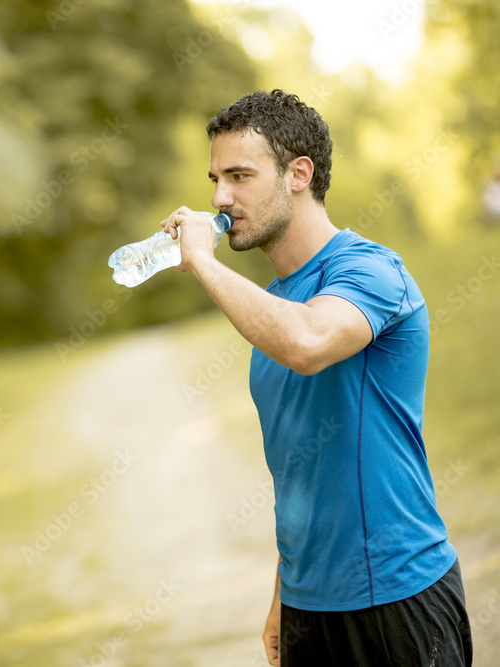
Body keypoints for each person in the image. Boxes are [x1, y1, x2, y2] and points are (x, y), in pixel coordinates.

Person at [160, 89, 473, 666]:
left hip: (397, 598)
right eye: (215, 178)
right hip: (309, 609)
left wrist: (202, 260)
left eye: (239, 176)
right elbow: (300, 471)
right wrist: (287, 594)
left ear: (298, 173)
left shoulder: (371, 270)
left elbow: (308, 343)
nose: (218, 198)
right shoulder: (273, 309)